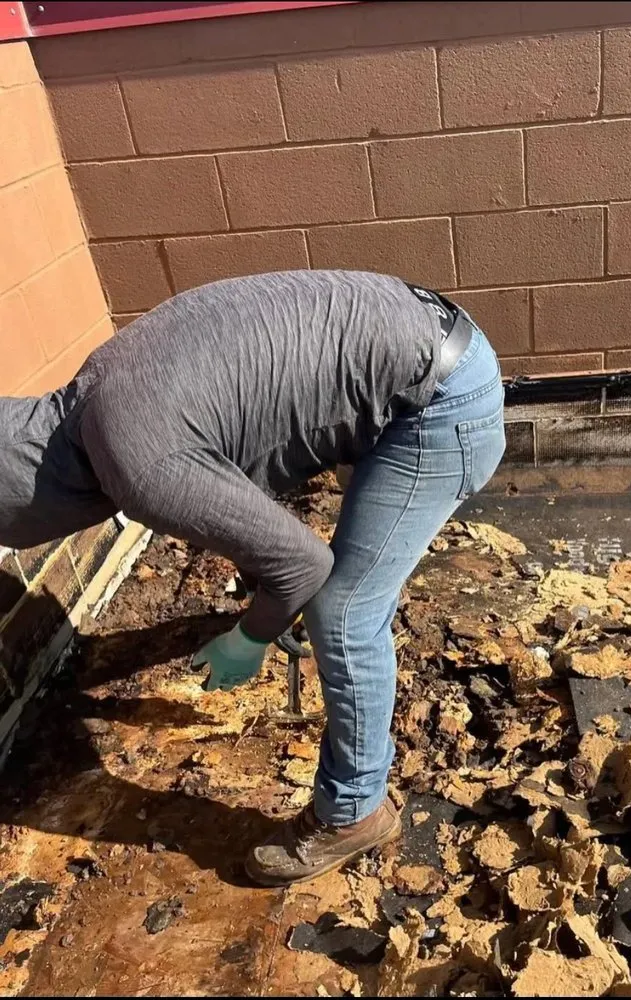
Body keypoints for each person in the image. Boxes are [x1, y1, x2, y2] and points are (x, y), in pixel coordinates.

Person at [0, 270, 506, 885]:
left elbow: (303, 564)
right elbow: (234, 465)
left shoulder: (138, 464)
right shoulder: (94, 391)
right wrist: (266, 588)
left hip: (441, 403)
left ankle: (354, 812)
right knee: (301, 580)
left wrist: (253, 634)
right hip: (419, 339)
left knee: (341, 612)